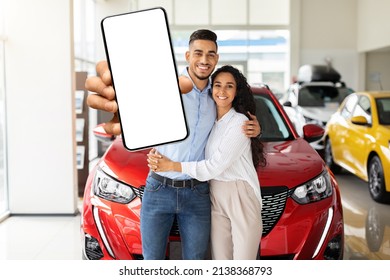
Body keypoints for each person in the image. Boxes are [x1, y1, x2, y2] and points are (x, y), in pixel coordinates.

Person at [85, 29, 261, 260]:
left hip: (198, 191)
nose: (204, 60)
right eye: (198, 53)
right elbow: (137, 110)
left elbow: (231, 125)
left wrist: (257, 130)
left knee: (196, 263)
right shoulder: (165, 87)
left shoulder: (216, 97)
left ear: (216, 59)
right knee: (152, 260)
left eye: (210, 54)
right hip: (159, 189)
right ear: (188, 56)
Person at [147, 65, 266, 260]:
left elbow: (214, 165)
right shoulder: (211, 116)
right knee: (221, 260)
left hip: (240, 194)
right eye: (217, 85)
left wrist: (172, 165)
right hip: (214, 193)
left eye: (229, 86)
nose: (222, 91)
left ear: (237, 92)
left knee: (243, 264)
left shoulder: (239, 123)